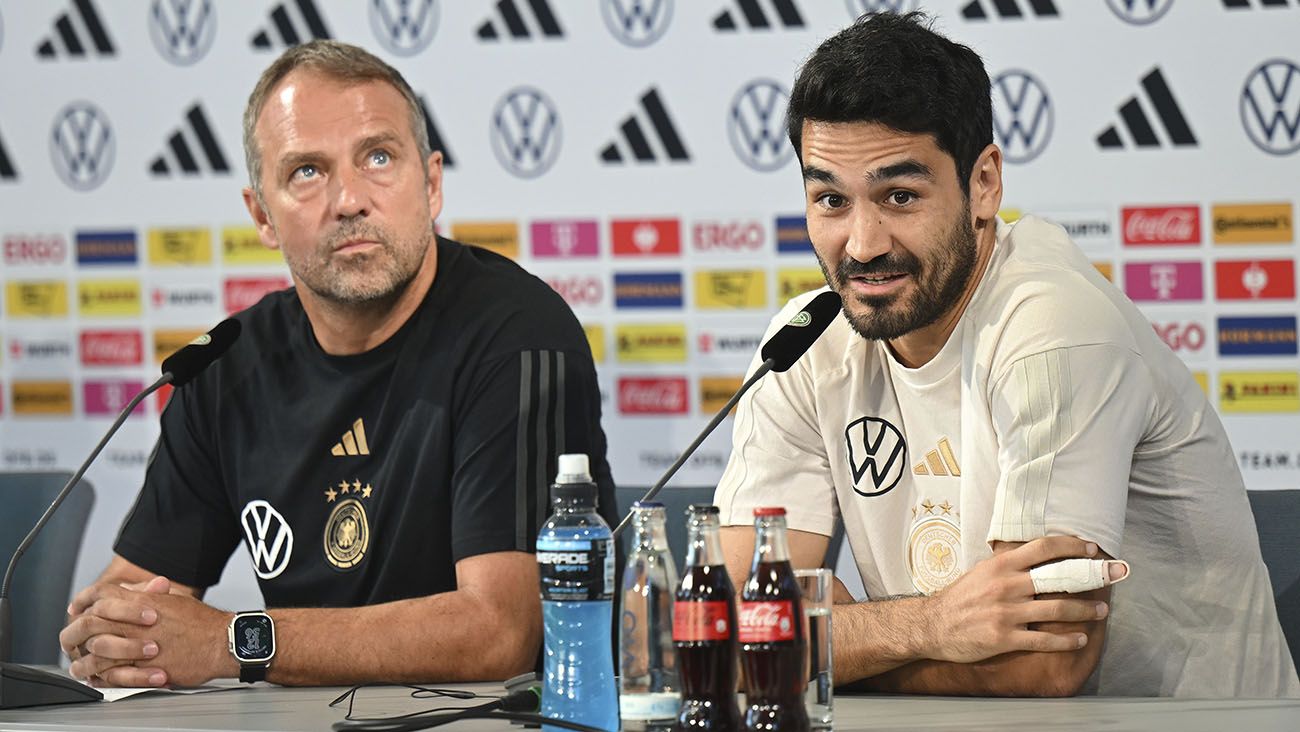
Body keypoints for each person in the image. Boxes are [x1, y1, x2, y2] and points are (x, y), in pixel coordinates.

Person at [714, 12, 1299, 697]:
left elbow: (1046, 663)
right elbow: (723, 629)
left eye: (900, 195)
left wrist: (817, 647)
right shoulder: (806, 345)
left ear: (984, 183)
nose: (863, 242)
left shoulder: (1054, 326)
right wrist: (931, 627)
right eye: (830, 200)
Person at [58, 40, 616, 687]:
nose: (349, 199)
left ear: (431, 183)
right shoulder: (224, 365)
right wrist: (116, 630)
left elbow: (501, 631)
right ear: (261, 214)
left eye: (378, 157)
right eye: (307, 172)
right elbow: (133, 588)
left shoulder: (516, 336)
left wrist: (235, 641)